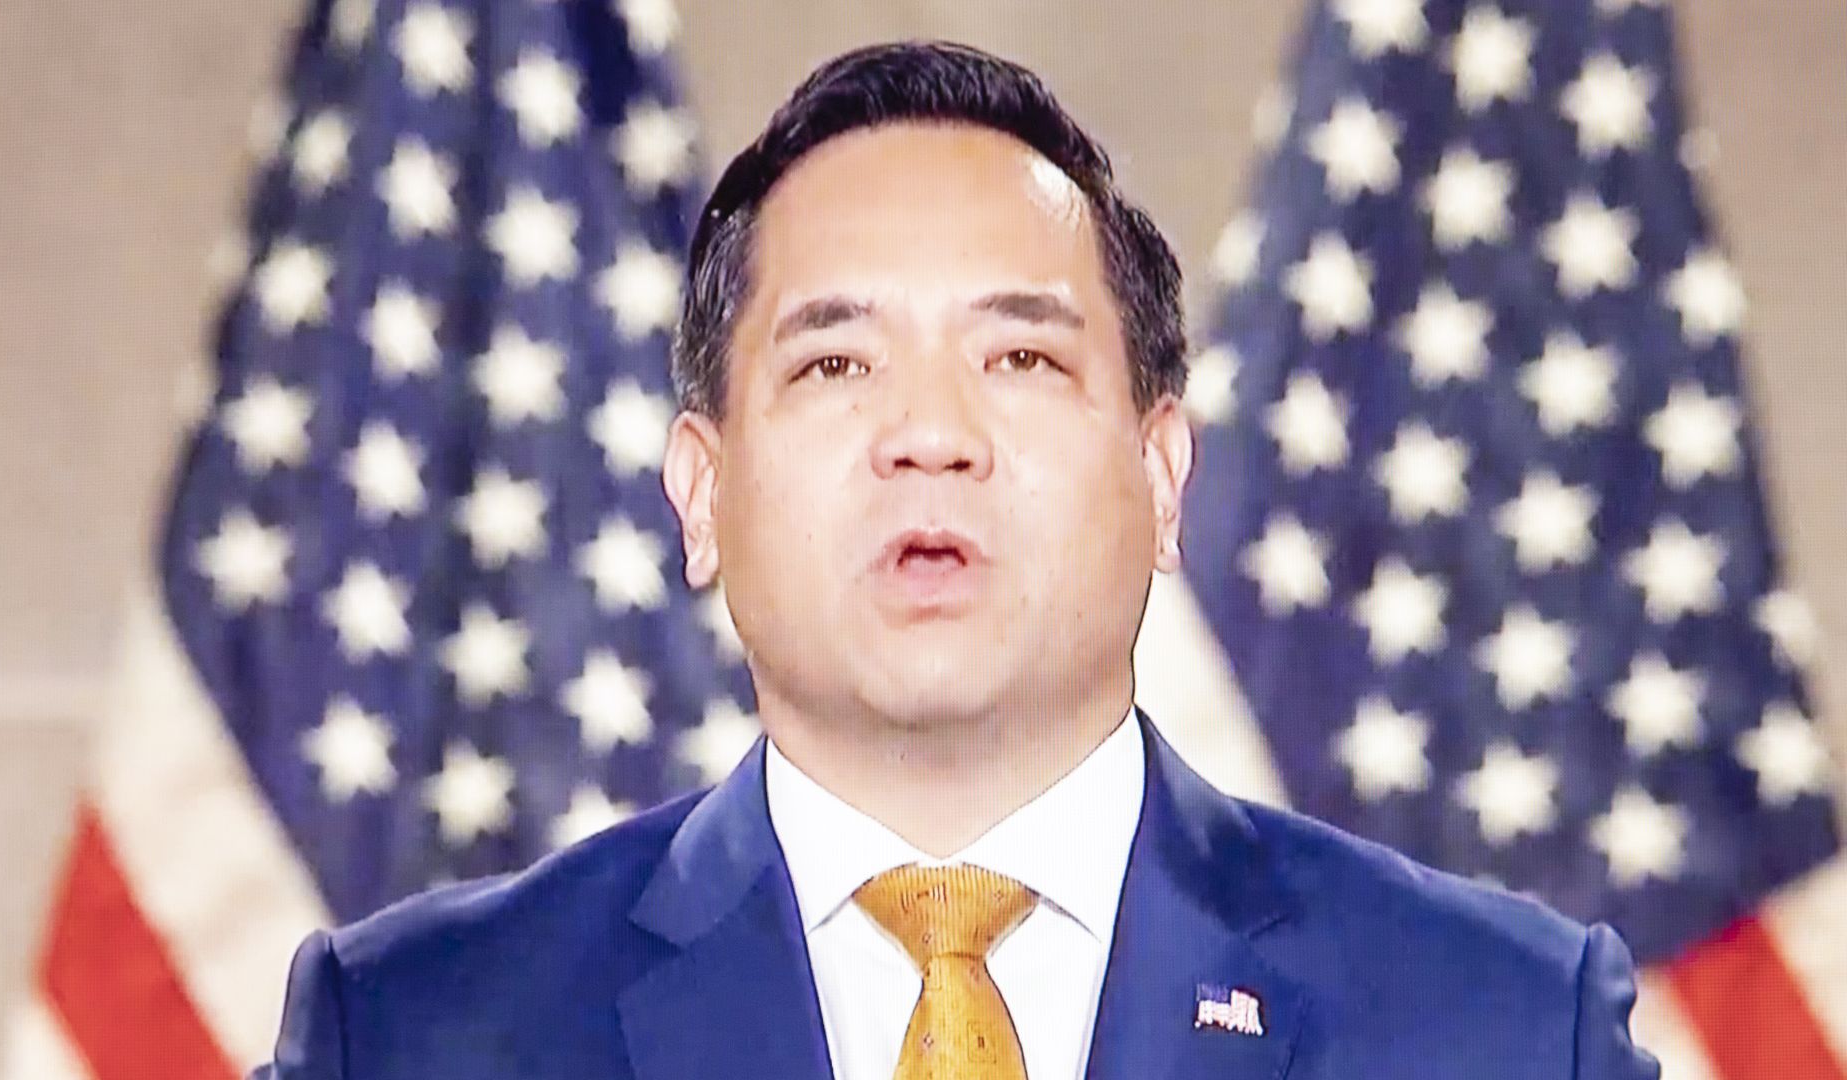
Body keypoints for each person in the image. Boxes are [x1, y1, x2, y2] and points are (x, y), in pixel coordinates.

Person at [253, 40, 1660, 1080]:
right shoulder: (410, 1034)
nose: (930, 434)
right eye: (838, 361)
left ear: (1163, 477)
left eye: (1021, 356)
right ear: (701, 494)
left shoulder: (1509, 1029)